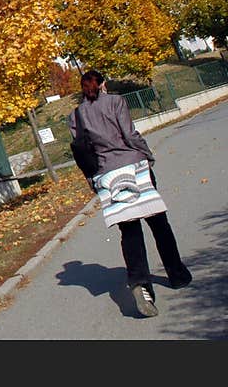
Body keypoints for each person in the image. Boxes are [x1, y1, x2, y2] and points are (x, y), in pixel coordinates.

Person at [68, 69, 192, 318]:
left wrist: (92, 180)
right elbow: (129, 134)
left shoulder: (76, 116)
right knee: (159, 223)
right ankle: (177, 275)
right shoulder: (116, 102)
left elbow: (81, 151)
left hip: (107, 174)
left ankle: (140, 285)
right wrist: (147, 154)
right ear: (103, 85)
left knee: (130, 231)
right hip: (134, 167)